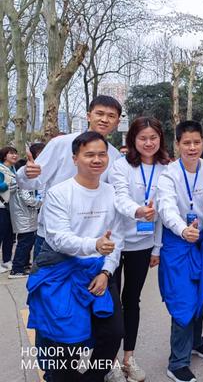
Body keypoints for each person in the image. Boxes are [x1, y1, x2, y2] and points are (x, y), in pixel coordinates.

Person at [27, 131, 125, 382]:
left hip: (100, 270)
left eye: (102, 154)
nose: (96, 159)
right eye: (89, 154)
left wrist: (106, 272)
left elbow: (118, 238)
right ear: (75, 158)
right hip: (62, 270)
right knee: (65, 341)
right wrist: (94, 244)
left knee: (112, 333)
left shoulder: (113, 193)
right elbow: (59, 238)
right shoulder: (59, 192)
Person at [16, 95, 123, 265]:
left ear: (117, 122)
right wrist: (26, 173)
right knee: (48, 289)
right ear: (89, 116)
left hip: (94, 239)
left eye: (111, 116)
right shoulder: (61, 143)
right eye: (99, 114)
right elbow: (31, 183)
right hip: (53, 238)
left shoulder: (115, 157)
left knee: (92, 290)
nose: (104, 119)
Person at [108, 116, 171, 381]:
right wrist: (137, 210)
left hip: (142, 246)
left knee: (131, 301)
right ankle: (107, 361)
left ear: (160, 140)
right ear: (133, 139)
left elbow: (162, 213)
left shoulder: (166, 168)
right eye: (143, 138)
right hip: (114, 244)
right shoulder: (120, 167)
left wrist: (156, 248)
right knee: (110, 304)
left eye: (153, 138)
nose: (148, 143)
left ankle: (128, 358)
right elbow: (119, 197)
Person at [156, 120, 203, 382]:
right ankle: (177, 362)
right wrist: (182, 229)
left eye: (197, 142)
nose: (192, 147)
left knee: (200, 295)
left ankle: (195, 340)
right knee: (183, 301)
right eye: (186, 143)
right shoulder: (168, 174)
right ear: (178, 144)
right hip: (178, 242)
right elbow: (166, 208)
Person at [8, 158, 41, 278]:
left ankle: (24, 265)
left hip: (26, 217)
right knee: (24, 243)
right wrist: (42, 202)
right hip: (24, 217)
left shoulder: (19, 182)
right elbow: (28, 200)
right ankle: (17, 269)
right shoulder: (21, 183)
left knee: (27, 243)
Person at [0, 146, 18, 272]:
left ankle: (7, 260)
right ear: (4, 155)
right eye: (11, 153)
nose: (14, 156)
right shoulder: (1, 168)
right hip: (1, 206)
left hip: (11, 206)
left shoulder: (13, 169)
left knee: (9, 235)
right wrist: (8, 185)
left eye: (15, 153)